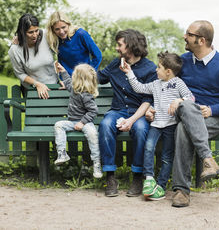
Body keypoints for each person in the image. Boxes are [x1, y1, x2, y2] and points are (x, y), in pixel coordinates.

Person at [147, 20, 219, 207]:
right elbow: (163, 86)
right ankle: (208, 159)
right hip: (184, 113)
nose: (184, 36)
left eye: (189, 34)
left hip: (212, 119)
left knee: (184, 127)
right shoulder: (182, 62)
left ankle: (181, 190)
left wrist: (213, 109)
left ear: (201, 40)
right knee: (186, 111)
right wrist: (155, 107)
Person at [120, 51, 194, 201]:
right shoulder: (155, 84)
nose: (156, 70)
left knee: (167, 156)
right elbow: (139, 88)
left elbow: (191, 98)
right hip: (156, 124)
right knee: (148, 148)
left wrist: (179, 100)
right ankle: (149, 179)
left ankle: (160, 186)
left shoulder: (178, 83)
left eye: (159, 67)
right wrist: (129, 72)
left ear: (168, 72)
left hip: (171, 125)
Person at [97, 29, 157, 197]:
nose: (117, 48)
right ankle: (110, 177)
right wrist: (71, 76)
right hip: (117, 110)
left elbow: (147, 100)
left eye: (120, 45)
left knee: (140, 129)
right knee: (106, 124)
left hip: (139, 112)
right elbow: (97, 78)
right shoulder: (116, 64)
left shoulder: (150, 68)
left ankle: (138, 176)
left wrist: (131, 120)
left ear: (131, 46)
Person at [54, 63, 102, 179]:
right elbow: (67, 81)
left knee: (92, 134)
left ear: (80, 80)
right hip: (72, 122)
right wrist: (63, 71)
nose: (72, 77)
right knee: (58, 125)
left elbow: (93, 111)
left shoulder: (86, 95)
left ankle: (96, 163)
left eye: (74, 75)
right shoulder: (73, 89)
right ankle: (62, 153)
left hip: (85, 123)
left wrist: (82, 122)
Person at [8, 14, 58, 99]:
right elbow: (20, 73)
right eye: (30, 32)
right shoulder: (15, 50)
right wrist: (37, 84)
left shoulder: (46, 36)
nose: (35, 35)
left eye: (36, 30)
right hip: (32, 90)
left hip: (54, 85)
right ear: (22, 32)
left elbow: (63, 31)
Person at [46, 11, 102, 75]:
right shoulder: (55, 39)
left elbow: (97, 55)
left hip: (83, 78)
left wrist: (89, 73)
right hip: (67, 79)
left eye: (63, 27)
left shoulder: (81, 34)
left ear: (68, 25)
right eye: (57, 29)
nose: (61, 32)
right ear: (53, 30)